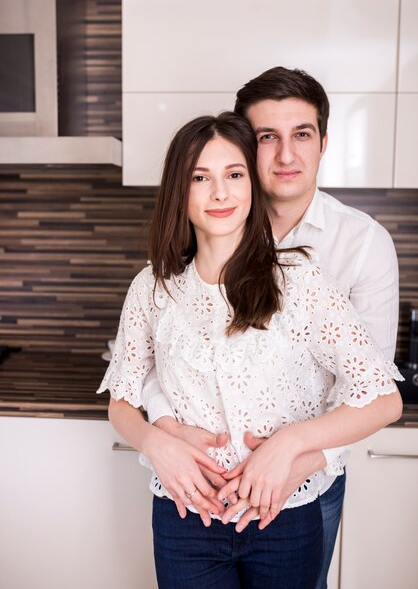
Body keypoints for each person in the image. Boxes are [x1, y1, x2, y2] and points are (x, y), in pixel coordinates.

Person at [98, 111, 403, 589]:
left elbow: (385, 401)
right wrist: (156, 443)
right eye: (201, 177)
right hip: (184, 516)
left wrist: (291, 442)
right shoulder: (151, 288)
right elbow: (121, 401)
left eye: (234, 174)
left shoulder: (300, 281)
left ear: (252, 186)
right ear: (181, 190)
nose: (220, 192)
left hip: (281, 514)